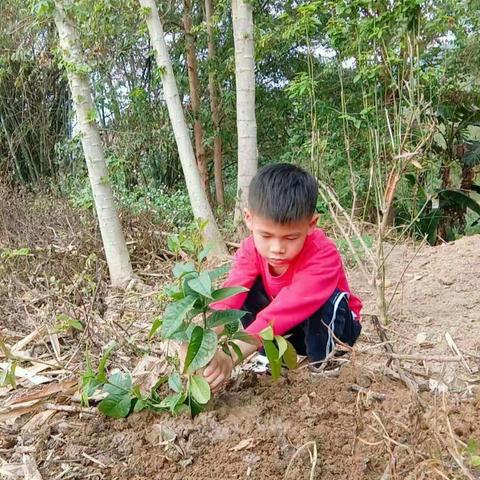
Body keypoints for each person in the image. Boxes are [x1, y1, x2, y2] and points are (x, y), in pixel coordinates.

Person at [203, 163, 362, 391]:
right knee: (242, 290)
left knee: (327, 300)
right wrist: (200, 340)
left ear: (311, 225)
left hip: (337, 329)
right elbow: (227, 299)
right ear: (249, 219)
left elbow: (285, 310)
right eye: (266, 235)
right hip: (287, 331)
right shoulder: (250, 251)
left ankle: (324, 364)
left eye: (290, 238)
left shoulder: (323, 255)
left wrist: (229, 355)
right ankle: (271, 357)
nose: (277, 248)